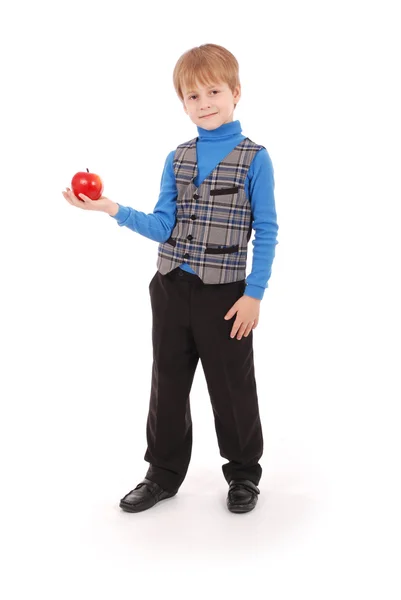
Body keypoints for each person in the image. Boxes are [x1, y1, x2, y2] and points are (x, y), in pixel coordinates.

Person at [62, 43, 279, 514]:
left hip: (226, 295)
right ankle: (162, 473)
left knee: (232, 386)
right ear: (182, 103)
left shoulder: (255, 159)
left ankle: (243, 474)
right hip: (170, 287)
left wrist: (254, 294)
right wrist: (109, 208)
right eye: (192, 96)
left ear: (236, 92)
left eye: (214, 91)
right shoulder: (176, 158)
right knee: (168, 382)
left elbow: (267, 230)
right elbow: (163, 226)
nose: (204, 103)